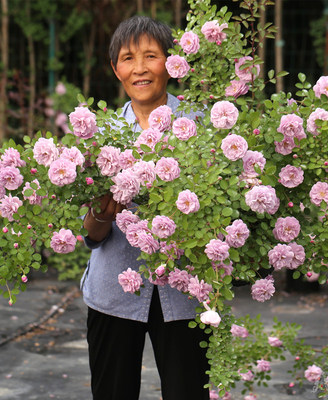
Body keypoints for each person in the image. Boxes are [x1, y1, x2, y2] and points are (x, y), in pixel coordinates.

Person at [81, 15, 210, 400]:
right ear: (115, 69)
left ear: (171, 63)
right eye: (127, 58)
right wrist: (108, 206)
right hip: (113, 293)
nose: (139, 68)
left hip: (185, 293)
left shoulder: (203, 127)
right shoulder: (99, 137)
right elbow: (91, 232)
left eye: (151, 56)